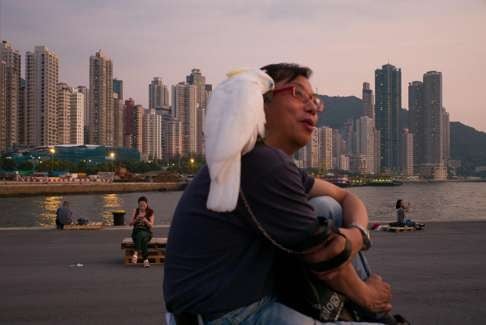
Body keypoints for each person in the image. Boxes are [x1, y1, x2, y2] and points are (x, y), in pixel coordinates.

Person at [164, 63, 393, 324]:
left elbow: (344, 197)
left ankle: (364, 315)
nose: (312, 108)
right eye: (297, 94)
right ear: (261, 101)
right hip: (226, 316)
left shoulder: (266, 161)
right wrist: (369, 296)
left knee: (327, 207)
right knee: (331, 249)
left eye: (315, 101)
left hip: (233, 302)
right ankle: (374, 314)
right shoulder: (261, 162)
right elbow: (326, 257)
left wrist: (358, 234)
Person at [129, 196, 155, 268]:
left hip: (147, 232)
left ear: (147, 204)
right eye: (140, 205)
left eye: (144, 205)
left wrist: (146, 220)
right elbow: (130, 224)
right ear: (138, 205)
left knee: (142, 235)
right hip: (136, 232)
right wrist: (136, 219)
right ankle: (146, 260)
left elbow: (151, 226)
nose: (142, 207)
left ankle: (135, 253)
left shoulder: (150, 211)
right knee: (143, 239)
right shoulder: (136, 211)